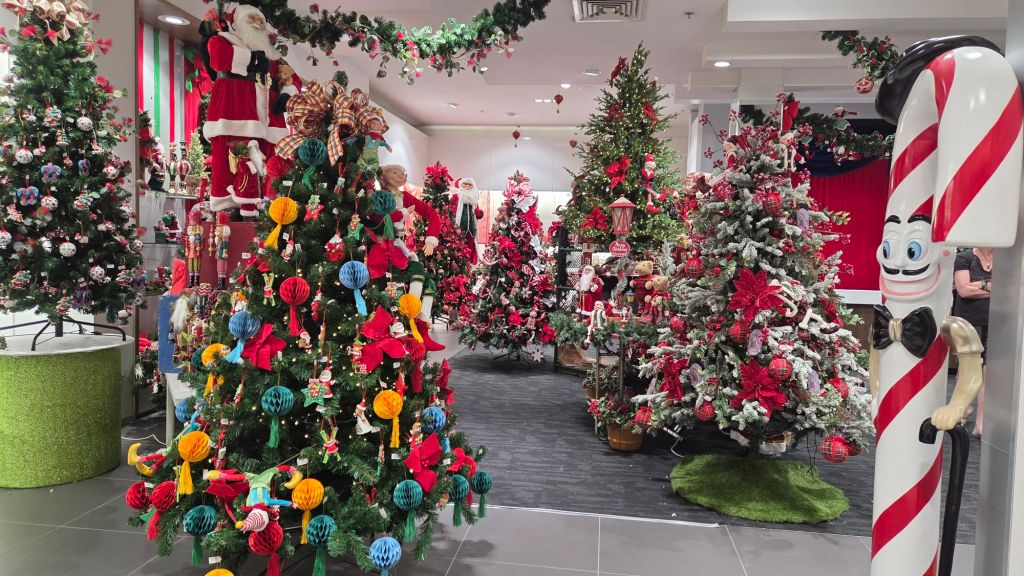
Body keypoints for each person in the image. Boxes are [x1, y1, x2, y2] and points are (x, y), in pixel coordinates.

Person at [953, 247, 992, 438]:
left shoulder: (1005, 260)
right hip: (968, 322)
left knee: (987, 371)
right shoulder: (964, 257)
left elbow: (1009, 288)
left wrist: (977, 285)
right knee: (968, 368)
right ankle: (961, 409)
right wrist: (990, 287)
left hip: (996, 321)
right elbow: (963, 290)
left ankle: (980, 423)